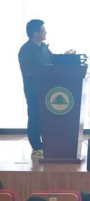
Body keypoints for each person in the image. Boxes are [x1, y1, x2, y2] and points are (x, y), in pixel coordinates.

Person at [18, 19, 75, 158]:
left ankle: (48, 144)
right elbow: (28, 71)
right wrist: (45, 70)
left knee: (48, 119)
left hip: (49, 91)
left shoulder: (43, 47)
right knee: (35, 118)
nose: (46, 32)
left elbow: (53, 60)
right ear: (35, 33)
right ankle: (36, 147)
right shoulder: (26, 50)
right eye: (43, 30)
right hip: (34, 91)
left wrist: (65, 56)